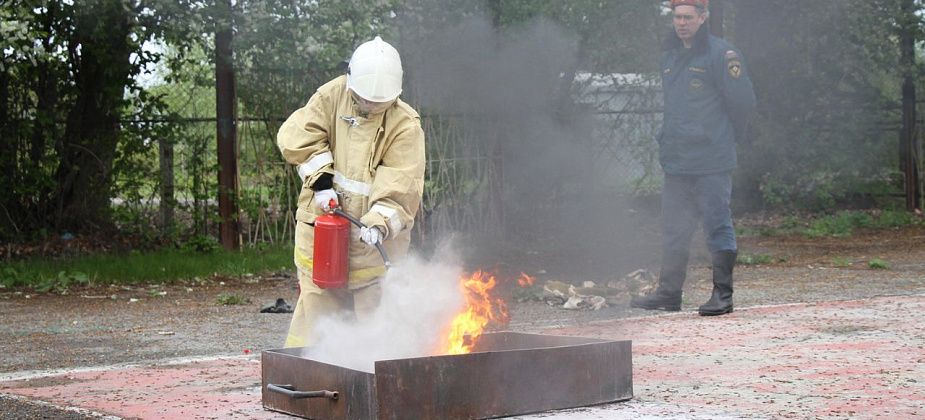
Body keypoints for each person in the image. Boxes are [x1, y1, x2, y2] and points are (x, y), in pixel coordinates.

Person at [277, 36, 425, 347]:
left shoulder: (405, 125)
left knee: (375, 337)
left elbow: (402, 182)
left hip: (372, 250)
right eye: (364, 98)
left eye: (378, 101)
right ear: (351, 83)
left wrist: (379, 222)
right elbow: (297, 137)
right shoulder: (331, 96)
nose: (370, 105)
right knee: (316, 330)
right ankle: (310, 386)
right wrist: (321, 183)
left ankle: (372, 389)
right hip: (322, 240)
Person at [630, 0, 755, 316]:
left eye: (688, 17)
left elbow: (743, 103)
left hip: (711, 160)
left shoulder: (721, 55)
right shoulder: (670, 57)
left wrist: (726, 138)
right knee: (674, 228)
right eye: (677, 17)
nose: (681, 23)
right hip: (677, 161)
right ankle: (669, 293)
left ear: (703, 18)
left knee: (716, 225)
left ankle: (722, 296)